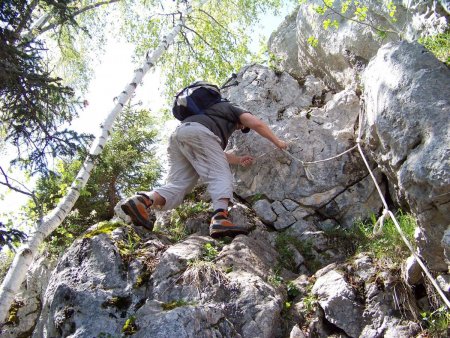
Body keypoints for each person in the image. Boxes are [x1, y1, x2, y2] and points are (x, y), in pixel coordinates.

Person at [121, 99, 287, 238]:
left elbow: (212, 152)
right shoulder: (232, 108)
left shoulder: (207, 114)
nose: (240, 128)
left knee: (181, 183)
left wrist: (237, 159)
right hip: (198, 134)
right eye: (242, 127)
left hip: (179, 136)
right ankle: (220, 219)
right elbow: (256, 123)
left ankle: (142, 201)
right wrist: (277, 142)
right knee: (221, 176)